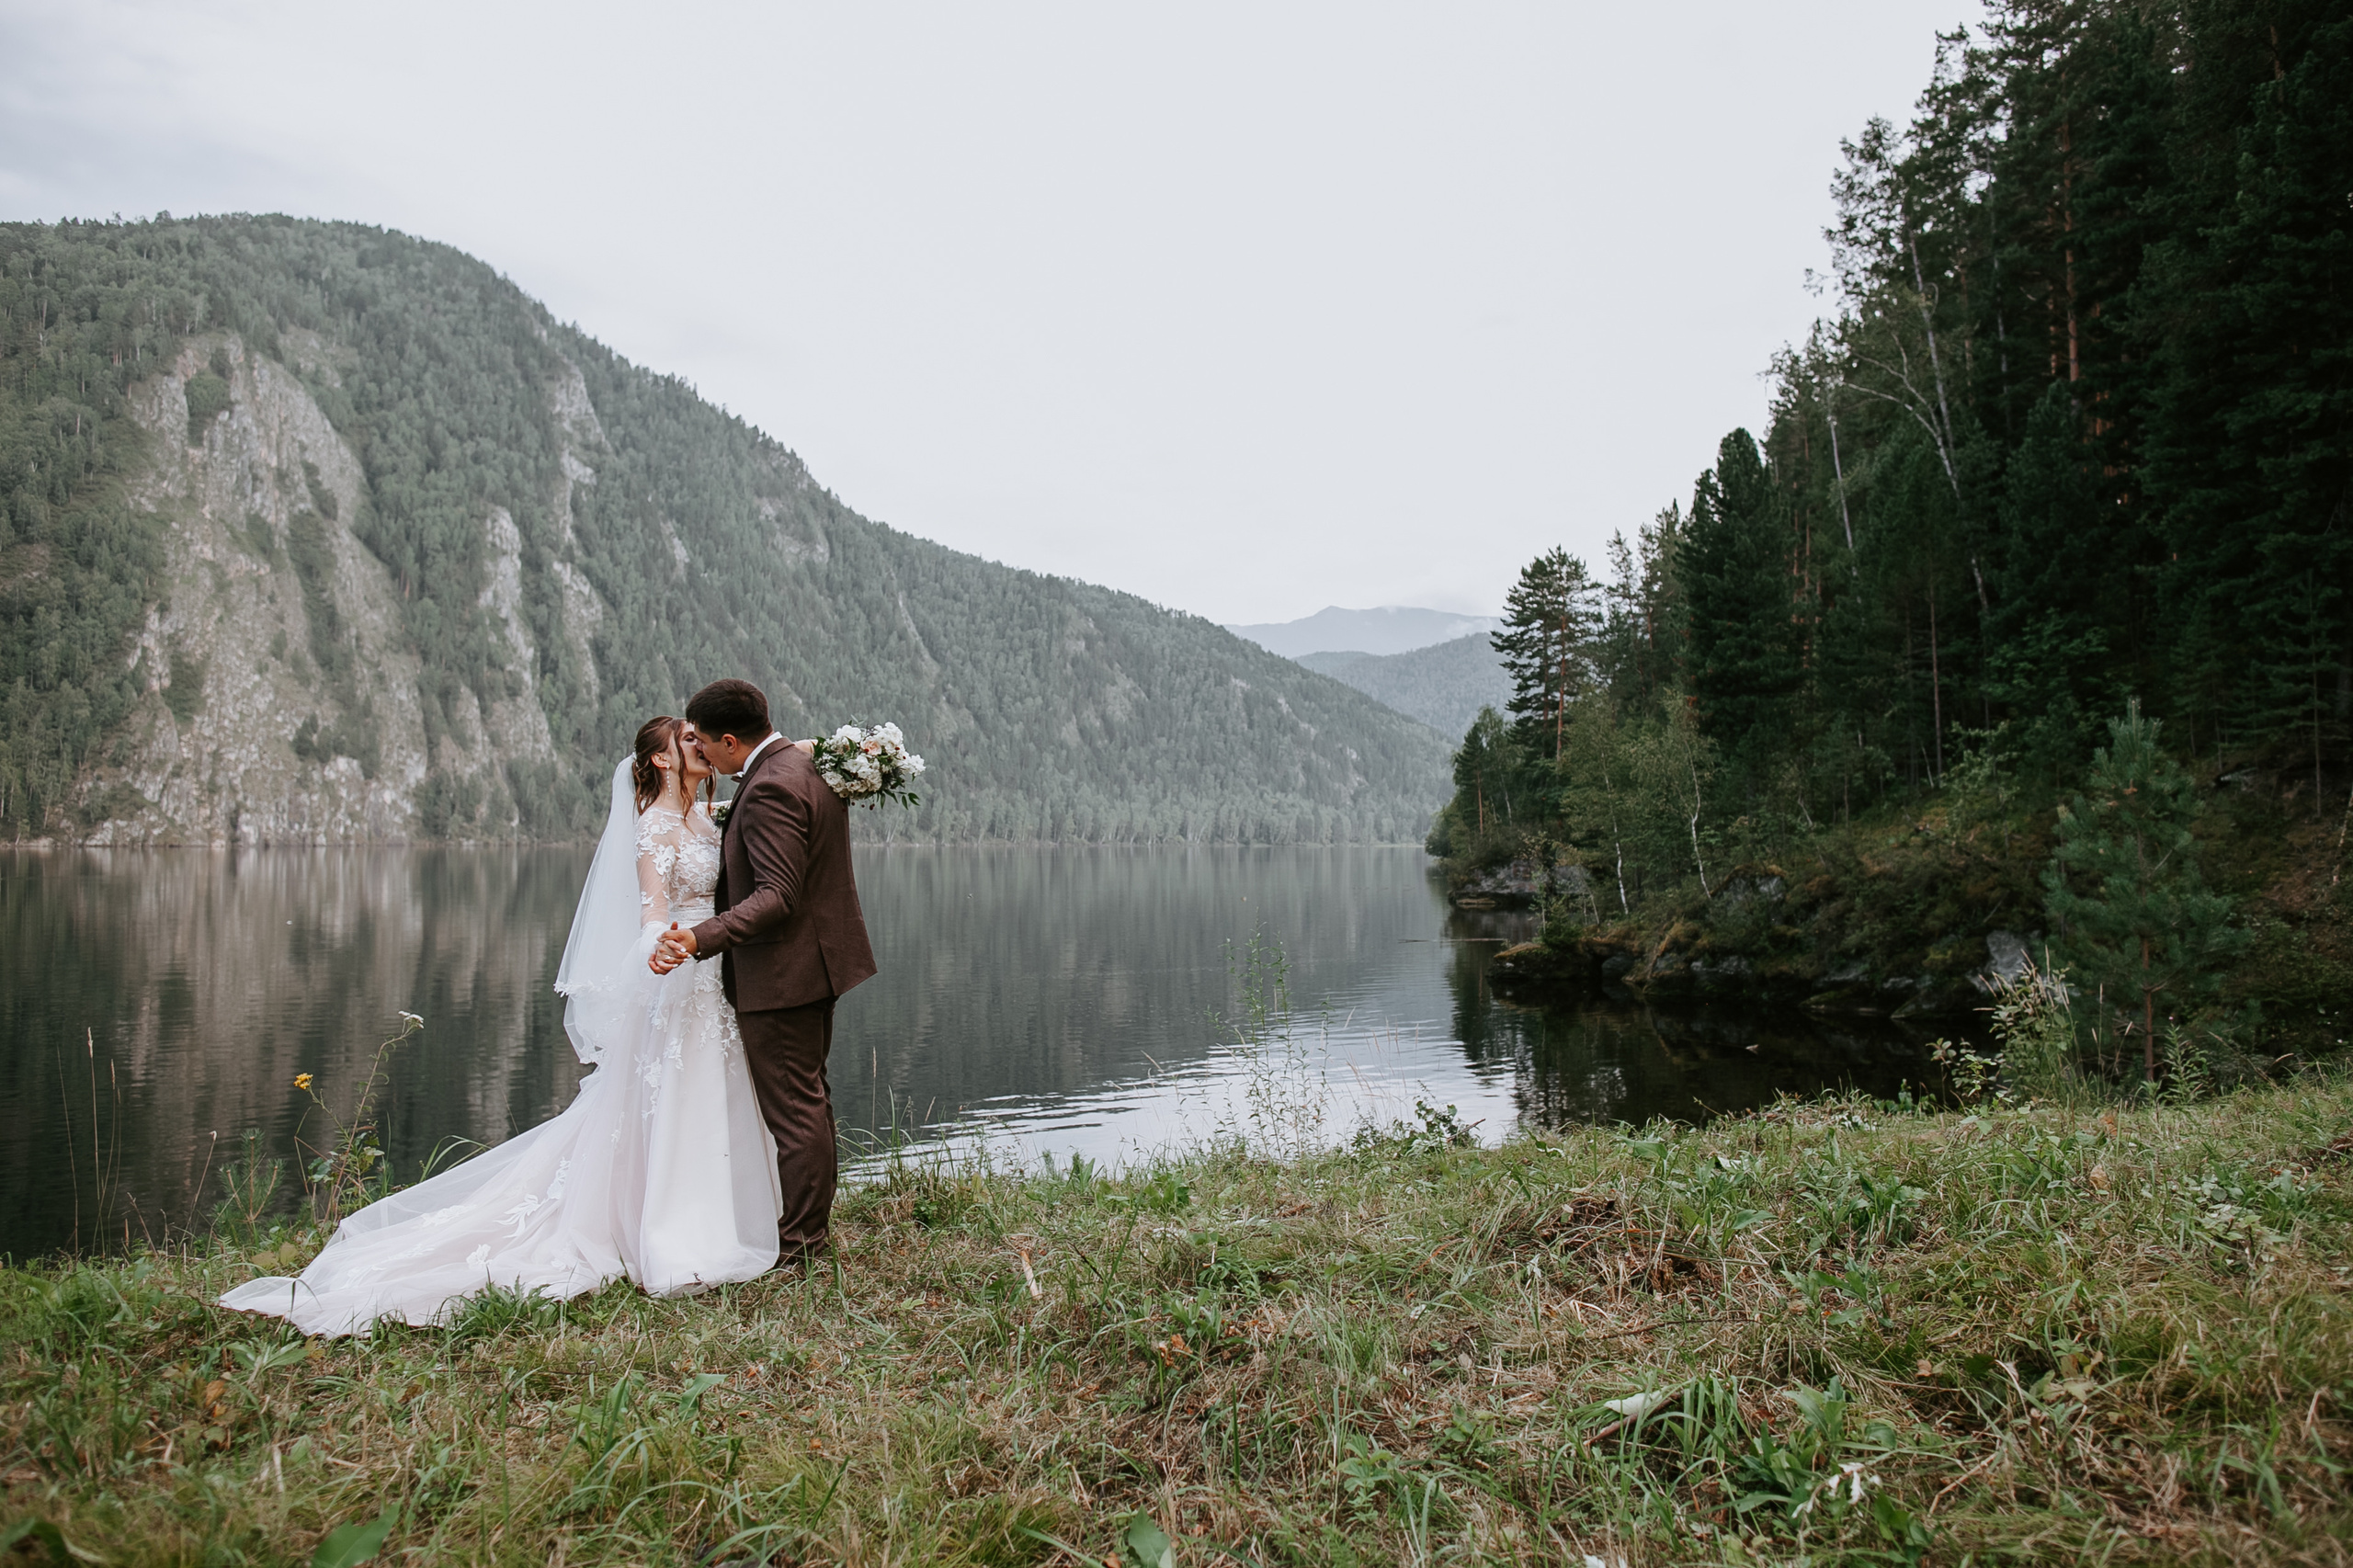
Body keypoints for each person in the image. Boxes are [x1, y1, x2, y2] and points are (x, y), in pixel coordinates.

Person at [220, 717, 781, 1335]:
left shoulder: (707, 817)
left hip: (716, 975)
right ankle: (675, 1234)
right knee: (673, 1100)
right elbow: (652, 913)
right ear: (663, 761)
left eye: (704, 738)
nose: (701, 746)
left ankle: (719, 1216)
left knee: (708, 1097)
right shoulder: (652, 829)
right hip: (680, 974)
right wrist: (668, 950)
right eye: (688, 740)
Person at [653, 677, 875, 1266]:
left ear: (730, 740)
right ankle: (807, 1235)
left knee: (797, 1113)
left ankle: (801, 1250)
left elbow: (777, 894)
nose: (699, 751)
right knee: (811, 1102)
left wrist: (701, 936)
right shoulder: (802, 768)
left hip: (783, 974)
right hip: (812, 965)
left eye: (702, 740)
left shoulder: (772, 786)